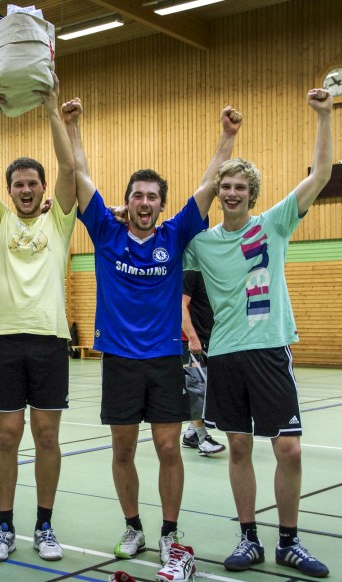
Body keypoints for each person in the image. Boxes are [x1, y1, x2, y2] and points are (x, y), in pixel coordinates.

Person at [63, 97, 242, 582]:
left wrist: (226, 136)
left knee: (167, 450)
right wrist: (72, 126)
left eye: (152, 197)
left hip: (165, 360)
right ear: (129, 201)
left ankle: (168, 531)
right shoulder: (105, 230)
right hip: (119, 361)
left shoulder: (177, 234)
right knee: (123, 451)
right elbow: (79, 175)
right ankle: (133, 527)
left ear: (162, 204)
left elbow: (207, 187)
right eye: (137, 196)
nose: (144, 203)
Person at [184, 89, 333, 578]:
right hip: (225, 356)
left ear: (252, 194)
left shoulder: (274, 225)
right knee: (240, 447)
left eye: (239, 188)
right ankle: (248, 538)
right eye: (224, 186)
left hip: (269, 351)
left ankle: (289, 540)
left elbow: (323, 175)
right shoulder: (200, 244)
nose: (230, 193)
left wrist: (324, 116)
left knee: (287, 447)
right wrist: (223, 143)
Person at [0, 73, 76, 563]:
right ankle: (6, 525)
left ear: (42, 188)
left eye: (34, 183)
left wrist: (53, 109)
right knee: (7, 435)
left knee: (47, 436)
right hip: (6, 343)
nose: (28, 189)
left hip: (51, 340)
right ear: (11, 191)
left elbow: (70, 166)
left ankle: (45, 525)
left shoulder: (60, 220)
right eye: (20, 184)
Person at [180, 270, 226, 456]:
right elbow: (180, 306)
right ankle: (202, 439)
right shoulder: (191, 273)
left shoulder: (213, 272)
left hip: (212, 341)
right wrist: (192, 337)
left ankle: (190, 434)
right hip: (191, 343)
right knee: (196, 390)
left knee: (209, 391)